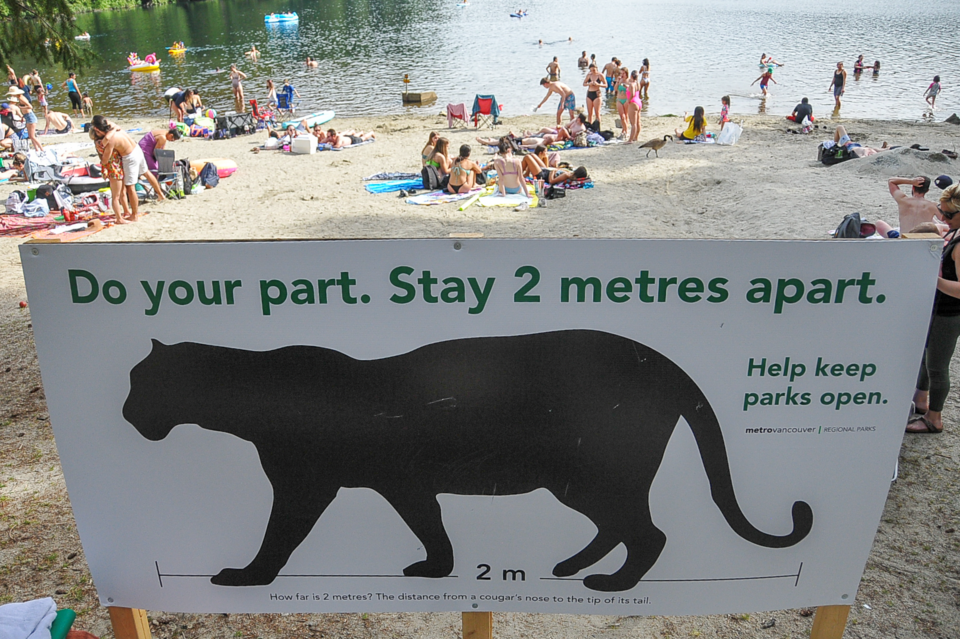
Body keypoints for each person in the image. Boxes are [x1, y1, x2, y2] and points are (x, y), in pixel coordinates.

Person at [909, 184, 960, 434]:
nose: (943, 218)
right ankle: (921, 400)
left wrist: (932, 279)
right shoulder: (954, 233)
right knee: (926, 358)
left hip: (949, 313)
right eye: (942, 211)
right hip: (938, 309)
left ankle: (934, 418)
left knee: (938, 366)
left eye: (949, 215)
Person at [93, 115, 165, 222]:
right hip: (137, 148)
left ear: (97, 129)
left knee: (130, 187)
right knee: (146, 172)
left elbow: (104, 160)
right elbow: (109, 133)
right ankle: (161, 194)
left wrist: (100, 146)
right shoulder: (112, 126)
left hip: (130, 156)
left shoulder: (110, 140)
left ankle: (134, 215)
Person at [90, 126, 130, 224]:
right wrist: (114, 129)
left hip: (117, 167)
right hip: (113, 168)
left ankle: (126, 211)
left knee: (122, 192)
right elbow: (108, 138)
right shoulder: (100, 143)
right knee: (116, 195)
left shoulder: (100, 142)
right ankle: (119, 218)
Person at [6, 86, 42, 151]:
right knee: (31, 136)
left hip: (30, 116)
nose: (11, 95)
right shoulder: (19, 98)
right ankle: (37, 149)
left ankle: (42, 149)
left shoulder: (21, 98)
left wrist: (21, 107)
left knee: (32, 136)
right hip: (26, 116)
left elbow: (30, 107)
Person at [583, 64, 604, 129]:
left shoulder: (600, 75)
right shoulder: (589, 75)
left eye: (594, 70)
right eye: (591, 70)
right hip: (589, 93)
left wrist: (598, 84)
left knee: (597, 113)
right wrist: (589, 83)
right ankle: (590, 127)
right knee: (590, 113)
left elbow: (606, 85)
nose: (593, 71)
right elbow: (584, 83)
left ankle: (598, 128)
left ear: (596, 68)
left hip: (597, 94)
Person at [625, 70, 642, 142]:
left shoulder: (632, 84)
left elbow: (632, 94)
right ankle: (636, 137)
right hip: (639, 102)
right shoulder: (637, 83)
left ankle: (630, 140)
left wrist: (628, 101)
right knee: (638, 122)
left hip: (633, 102)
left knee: (633, 123)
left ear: (631, 76)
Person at [614, 68, 629, 140]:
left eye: (623, 73)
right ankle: (625, 130)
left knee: (625, 116)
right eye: (620, 73)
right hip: (619, 99)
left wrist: (627, 87)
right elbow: (615, 89)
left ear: (626, 74)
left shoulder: (629, 81)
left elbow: (633, 90)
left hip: (626, 100)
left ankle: (625, 131)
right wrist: (617, 82)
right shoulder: (619, 80)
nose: (622, 75)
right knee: (622, 117)